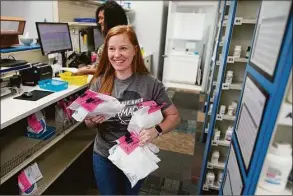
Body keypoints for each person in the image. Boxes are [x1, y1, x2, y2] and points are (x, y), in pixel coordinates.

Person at [84, 25, 181, 195]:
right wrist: (91, 120)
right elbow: (87, 123)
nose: (117, 54)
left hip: (135, 155)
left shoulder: (150, 83)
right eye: (112, 49)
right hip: (104, 154)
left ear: (135, 50)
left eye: (123, 48)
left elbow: (174, 116)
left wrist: (156, 131)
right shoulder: (98, 82)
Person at [75, 0, 128, 75]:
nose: (99, 22)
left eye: (101, 18)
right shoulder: (126, 39)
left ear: (111, 19)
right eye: (98, 18)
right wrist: (91, 67)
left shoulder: (114, 45)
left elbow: (113, 71)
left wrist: (86, 71)